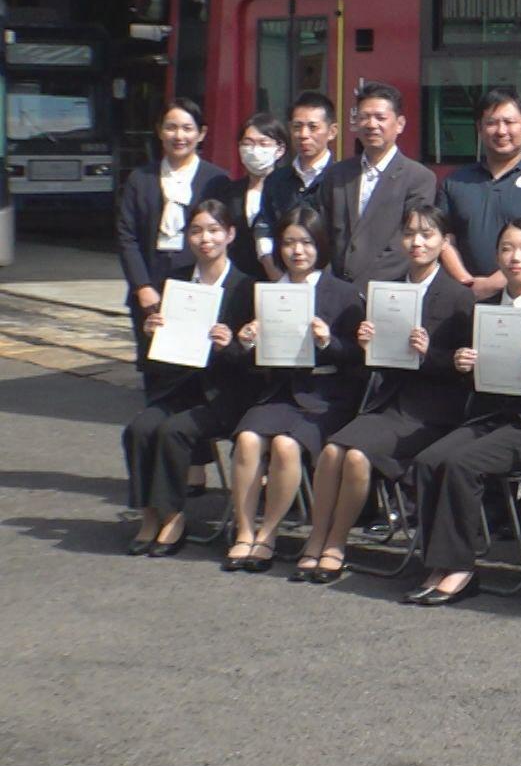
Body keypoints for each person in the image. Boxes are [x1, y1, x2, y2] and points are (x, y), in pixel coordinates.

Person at [407, 219, 521, 606]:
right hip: (490, 417)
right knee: (427, 461)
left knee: (461, 465)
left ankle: (460, 568)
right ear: (497, 257)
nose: (515, 257)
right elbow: (468, 378)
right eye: (507, 248)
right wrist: (460, 362)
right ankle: (437, 561)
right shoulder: (484, 308)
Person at [295, 204, 475, 584]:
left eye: (427, 234)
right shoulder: (388, 289)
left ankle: (337, 544)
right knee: (331, 450)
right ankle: (316, 536)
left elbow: (465, 370)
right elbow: (372, 363)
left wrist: (431, 355)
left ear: (445, 241)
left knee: (357, 458)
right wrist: (366, 344)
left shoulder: (459, 298)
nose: (417, 242)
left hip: (431, 412)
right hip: (389, 400)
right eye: (410, 234)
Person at [223, 206, 364, 573]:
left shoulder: (344, 293)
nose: (296, 251)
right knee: (249, 439)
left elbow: (358, 357)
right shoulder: (267, 292)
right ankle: (244, 530)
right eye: (288, 243)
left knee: (286, 446)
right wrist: (246, 341)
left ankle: (268, 534)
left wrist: (328, 341)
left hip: (325, 396)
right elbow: (243, 359)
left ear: (320, 246)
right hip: (282, 391)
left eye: (305, 243)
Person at [120, 200, 257, 555]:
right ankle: (149, 514)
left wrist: (231, 345)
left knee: (172, 431)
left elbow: (256, 364)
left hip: (224, 395)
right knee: (138, 429)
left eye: (213, 230)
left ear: (230, 235)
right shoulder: (175, 282)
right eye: (196, 231)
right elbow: (160, 358)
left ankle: (173, 516)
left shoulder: (246, 288)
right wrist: (153, 332)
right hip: (179, 387)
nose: (205, 239)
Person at [116, 99, 229, 393]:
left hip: (199, 285)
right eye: (172, 127)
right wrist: (142, 286)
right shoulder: (140, 179)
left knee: (198, 374)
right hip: (153, 286)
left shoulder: (216, 179)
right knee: (157, 372)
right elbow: (126, 236)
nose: (180, 136)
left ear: (201, 133)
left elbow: (224, 235)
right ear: (159, 131)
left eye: (188, 128)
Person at [438, 86, 521, 303]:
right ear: (479, 128)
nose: (501, 131)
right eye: (492, 123)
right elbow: (444, 240)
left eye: (509, 122)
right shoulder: (455, 181)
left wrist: (492, 284)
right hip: (466, 298)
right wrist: (468, 284)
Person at [316, 80, 437, 284]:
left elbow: (409, 242)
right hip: (337, 290)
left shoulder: (418, 178)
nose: (371, 125)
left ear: (400, 124)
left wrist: (362, 289)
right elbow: (324, 233)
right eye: (364, 117)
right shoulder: (336, 174)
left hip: (388, 290)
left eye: (380, 118)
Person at [256, 91, 339, 280]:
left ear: (332, 131)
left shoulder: (342, 180)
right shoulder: (275, 180)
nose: (303, 135)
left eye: (313, 127)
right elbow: (265, 230)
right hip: (283, 282)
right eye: (297, 127)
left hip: (329, 284)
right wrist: (276, 276)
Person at [211, 113, 289, 280]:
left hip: (279, 282)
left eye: (263, 143)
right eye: (248, 143)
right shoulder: (228, 192)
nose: (254, 150)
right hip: (237, 284)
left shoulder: (288, 190)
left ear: (280, 149)